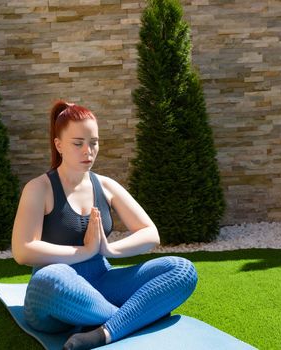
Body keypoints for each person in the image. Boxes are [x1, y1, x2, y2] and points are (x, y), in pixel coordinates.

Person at [11, 100, 198, 350]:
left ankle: (104, 332)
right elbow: (23, 251)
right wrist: (84, 251)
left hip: (101, 281)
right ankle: (133, 316)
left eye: (94, 142)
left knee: (181, 270)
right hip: (54, 296)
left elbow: (150, 233)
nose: (88, 151)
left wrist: (108, 250)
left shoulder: (106, 185)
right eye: (78, 143)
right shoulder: (39, 188)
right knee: (52, 276)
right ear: (59, 145)